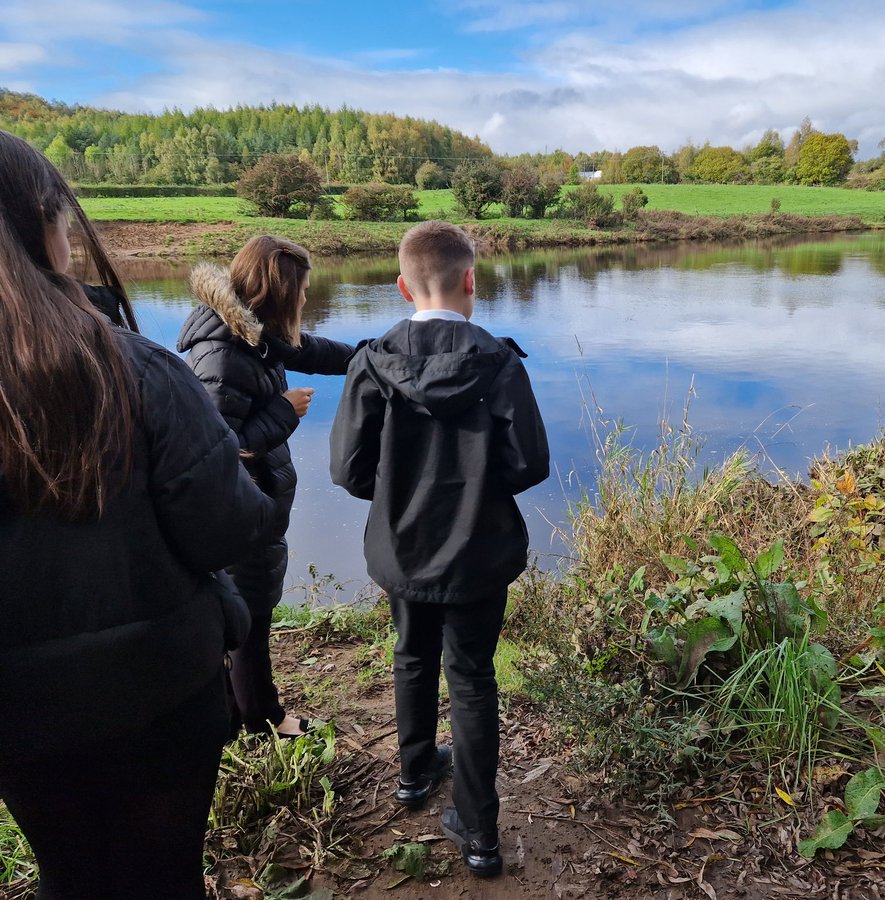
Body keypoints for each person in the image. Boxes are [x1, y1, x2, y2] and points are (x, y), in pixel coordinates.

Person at [0, 129, 279, 899]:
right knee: (163, 876)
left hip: (17, 715)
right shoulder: (138, 368)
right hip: (159, 691)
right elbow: (229, 526)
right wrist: (269, 448)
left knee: (70, 873)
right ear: (48, 228)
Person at [329, 220, 550, 878]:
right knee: (474, 679)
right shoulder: (499, 361)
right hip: (479, 552)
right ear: (471, 281)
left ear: (402, 286)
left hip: (402, 548)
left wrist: (396, 492)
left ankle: (414, 772)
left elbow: (347, 469)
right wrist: (479, 488)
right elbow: (529, 463)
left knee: (411, 656)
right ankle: (480, 834)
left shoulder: (371, 361)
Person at [178, 236, 356, 737]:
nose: (305, 300)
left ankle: (238, 713)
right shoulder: (223, 353)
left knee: (250, 612)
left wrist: (368, 354)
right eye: (301, 291)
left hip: (255, 501)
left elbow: (311, 349)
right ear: (278, 294)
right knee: (250, 615)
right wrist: (282, 411)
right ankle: (263, 717)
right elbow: (217, 448)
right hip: (239, 508)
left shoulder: (251, 334)